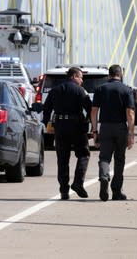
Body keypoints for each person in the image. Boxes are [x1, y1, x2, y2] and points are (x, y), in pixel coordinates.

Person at [43, 67, 92, 200]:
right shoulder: (80, 91)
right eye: (80, 77)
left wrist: (46, 123)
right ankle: (78, 183)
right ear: (74, 76)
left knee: (62, 159)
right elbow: (89, 108)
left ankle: (64, 190)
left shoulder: (55, 90)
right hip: (77, 126)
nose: (82, 80)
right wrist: (88, 121)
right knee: (83, 154)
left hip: (60, 126)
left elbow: (46, 108)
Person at [91, 64, 135, 201]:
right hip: (121, 127)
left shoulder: (100, 89)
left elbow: (94, 111)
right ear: (120, 75)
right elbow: (130, 113)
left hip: (105, 127)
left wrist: (94, 130)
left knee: (104, 157)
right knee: (120, 159)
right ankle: (116, 191)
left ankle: (104, 177)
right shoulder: (126, 90)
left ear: (109, 75)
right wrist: (131, 133)